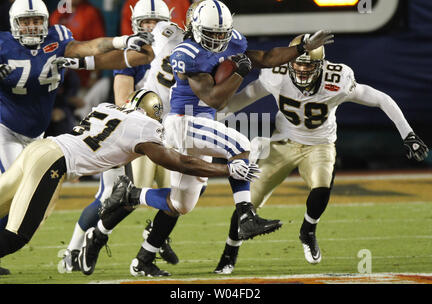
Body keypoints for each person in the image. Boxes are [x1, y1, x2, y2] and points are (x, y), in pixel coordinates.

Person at [113, 0, 333, 277]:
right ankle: (245, 215)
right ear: (195, 28)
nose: (218, 39)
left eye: (222, 33)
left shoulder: (233, 42)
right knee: (241, 144)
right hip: (183, 122)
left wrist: (301, 48)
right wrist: (240, 72)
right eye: (212, 33)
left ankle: (138, 231)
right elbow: (214, 99)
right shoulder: (186, 52)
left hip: (201, 125)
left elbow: (264, 58)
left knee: (181, 204)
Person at [212, 34, 430, 274]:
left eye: (309, 66)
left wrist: (407, 134)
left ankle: (308, 230)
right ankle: (229, 253)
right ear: (288, 63)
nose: (302, 70)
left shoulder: (337, 80)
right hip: (281, 144)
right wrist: (204, 119)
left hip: (320, 145)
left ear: (321, 66)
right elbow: (239, 101)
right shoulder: (275, 76)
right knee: (247, 203)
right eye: (298, 64)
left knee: (322, 187)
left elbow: (381, 99)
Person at [0, 90, 260, 265]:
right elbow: (180, 162)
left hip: (41, 149)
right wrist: (227, 170)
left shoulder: (106, 107)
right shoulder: (143, 126)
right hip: (53, 162)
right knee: (16, 237)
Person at [0, 0, 154, 274]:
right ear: (14, 23)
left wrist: (121, 41)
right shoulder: (2, 44)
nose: (33, 26)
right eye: (26, 21)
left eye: (37, 21)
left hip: (38, 134)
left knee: (16, 196)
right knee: (14, 193)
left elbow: (91, 47)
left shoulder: (57, 39)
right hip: (6, 129)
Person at [58, 0, 181, 273]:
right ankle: (74, 249)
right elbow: (124, 99)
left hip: (167, 133)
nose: (151, 27)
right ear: (136, 24)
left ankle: (155, 239)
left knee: (179, 193)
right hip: (133, 132)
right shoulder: (133, 55)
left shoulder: (176, 49)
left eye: (157, 21)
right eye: (145, 22)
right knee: (111, 196)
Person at [50, 0, 106, 88]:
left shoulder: (92, 13)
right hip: (60, 81)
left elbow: (100, 47)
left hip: (86, 79)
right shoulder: (56, 16)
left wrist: (94, 76)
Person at [120, 0, 190, 34]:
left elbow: (188, 30)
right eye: (147, 22)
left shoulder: (181, 0)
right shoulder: (133, 0)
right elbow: (127, 32)